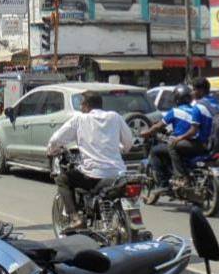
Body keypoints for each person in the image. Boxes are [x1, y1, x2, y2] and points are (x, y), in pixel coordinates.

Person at [46, 91, 134, 228]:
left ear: (86, 105)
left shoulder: (80, 119)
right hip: (119, 173)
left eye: (81, 105)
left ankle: (75, 218)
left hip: (94, 175)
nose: (81, 108)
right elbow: (128, 142)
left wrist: (51, 150)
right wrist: (120, 149)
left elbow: (56, 139)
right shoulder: (115, 117)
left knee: (63, 179)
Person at [141, 84, 203, 195]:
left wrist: (147, 132)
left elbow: (158, 126)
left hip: (181, 143)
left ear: (177, 98)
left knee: (155, 151)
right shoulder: (195, 110)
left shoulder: (175, 111)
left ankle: (164, 184)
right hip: (196, 144)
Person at [192, 77, 219, 144]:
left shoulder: (198, 106)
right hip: (217, 143)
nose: (192, 92)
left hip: (203, 144)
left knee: (179, 143)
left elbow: (193, 131)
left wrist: (179, 138)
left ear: (201, 90)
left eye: (194, 89)